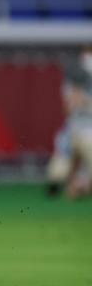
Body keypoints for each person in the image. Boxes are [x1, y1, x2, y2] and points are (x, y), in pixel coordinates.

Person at [46, 45, 92, 198]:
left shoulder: (69, 82)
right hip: (86, 130)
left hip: (73, 129)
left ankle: (72, 184)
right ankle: (78, 185)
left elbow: (66, 109)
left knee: (62, 161)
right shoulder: (75, 82)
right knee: (65, 160)